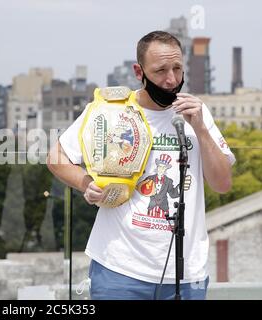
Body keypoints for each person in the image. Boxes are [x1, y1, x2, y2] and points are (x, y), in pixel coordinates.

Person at [46, 31, 235, 300]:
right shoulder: (112, 111)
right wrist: (87, 184)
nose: (171, 80)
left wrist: (201, 129)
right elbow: (56, 157)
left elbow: (222, 183)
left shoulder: (197, 113)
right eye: (160, 71)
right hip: (120, 269)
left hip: (186, 271)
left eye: (177, 68)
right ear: (139, 71)